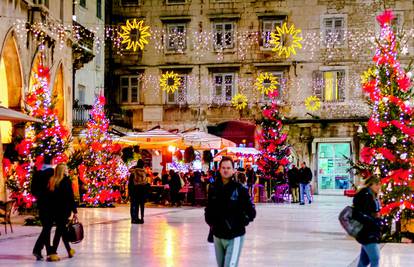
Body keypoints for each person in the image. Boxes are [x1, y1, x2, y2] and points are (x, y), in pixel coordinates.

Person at [205, 157, 256, 267]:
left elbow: (251, 211)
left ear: (233, 170)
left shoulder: (240, 189)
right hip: (217, 235)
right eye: (223, 168)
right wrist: (210, 220)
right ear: (219, 170)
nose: (226, 170)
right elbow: (209, 207)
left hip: (234, 235)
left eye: (228, 168)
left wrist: (239, 223)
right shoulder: (213, 188)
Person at [49, 163, 78, 261]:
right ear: (63, 170)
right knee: (59, 231)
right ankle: (53, 252)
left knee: (62, 230)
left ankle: (69, 250)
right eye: (66, 169)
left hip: (54, 210)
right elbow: (70, 197)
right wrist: (75, 211)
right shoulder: (66, 181)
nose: (67, 170)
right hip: (64, 210)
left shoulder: (52, 181)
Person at [353, 176, 382, 267]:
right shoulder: (364, 195)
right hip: (367, 233)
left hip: (371, 231)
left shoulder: (372, 195)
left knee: (364, 261)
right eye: (376, 184)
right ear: (370, 184)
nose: (378, 187)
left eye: (379, 185)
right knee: (375, 258)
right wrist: (372, 218)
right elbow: (359, 214)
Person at [31, 155, 55, 261]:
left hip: (41, 203)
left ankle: (46, 250)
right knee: (47, 227)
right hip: (50, 204)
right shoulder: (52, 173)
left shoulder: (37, 173)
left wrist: (39, 197)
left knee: (47, 227)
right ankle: (37, 249)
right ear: (52, 161)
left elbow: (33, 190)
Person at [129, 159, 148, 224]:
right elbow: (146, 184)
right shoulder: (144, 173)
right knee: (141, 205)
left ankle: (134, 218)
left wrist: (130, 193)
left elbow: (130, 183)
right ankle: (142, 218)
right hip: (142, 192)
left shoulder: (133, 173)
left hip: (134, 191)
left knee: (134, 205)